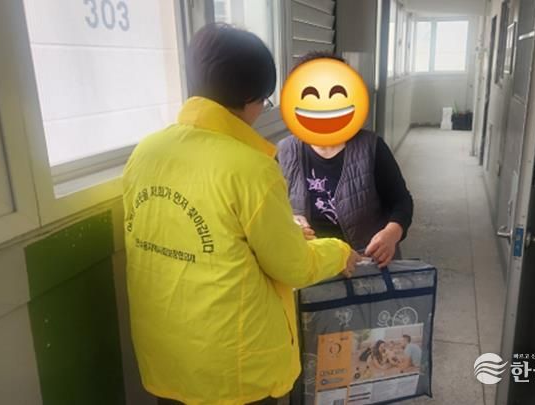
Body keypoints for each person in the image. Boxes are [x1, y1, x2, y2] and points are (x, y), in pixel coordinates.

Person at [122, 24, 360, 405]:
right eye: (265, 101)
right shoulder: (251, 169)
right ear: (251, 98)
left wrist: (281, 228)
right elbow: (294, 267)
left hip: (167, 360)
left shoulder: (145, 153)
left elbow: (207, 237)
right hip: (234, 372)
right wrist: (339, 250)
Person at [277, 54, 413, 268]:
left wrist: (391, 234)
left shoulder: (371, 147)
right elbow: (274, 209)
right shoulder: (284, 151)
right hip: (315, 265)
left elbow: (401, 201)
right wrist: (291, 220)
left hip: (366, 262)